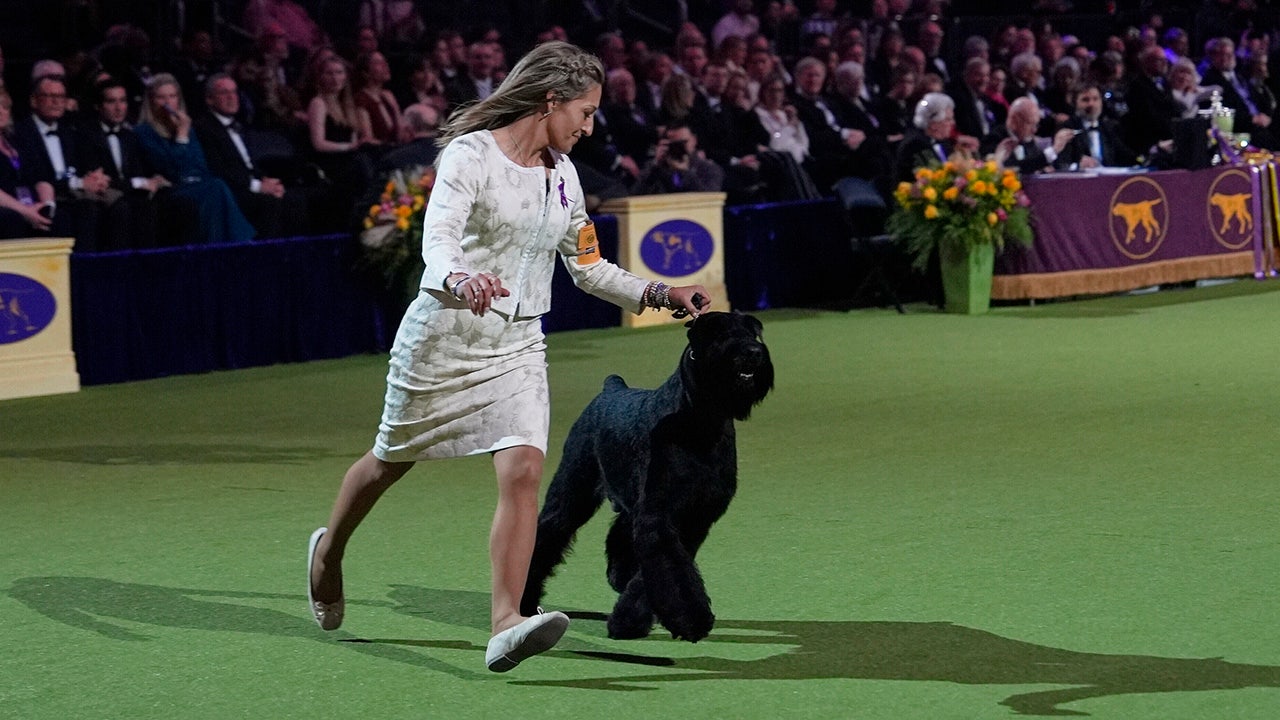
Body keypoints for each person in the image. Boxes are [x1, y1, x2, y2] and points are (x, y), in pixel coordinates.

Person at [306, 40, 711, 673]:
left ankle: (505, 622)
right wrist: (461, 277)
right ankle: (328, 553)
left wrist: (662, 293)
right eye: (585, 111)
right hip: (445, 337)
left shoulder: (565, 175)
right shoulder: (469, 156)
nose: (589, 127)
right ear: (550, 100)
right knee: (389, 460)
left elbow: (588, 268)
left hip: (519, 344)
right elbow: (438, 240)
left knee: (523, 468)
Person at [134, 73, 256, 244]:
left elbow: (200, 165)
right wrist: (181, 137)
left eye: (172, 96)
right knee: (216, 188)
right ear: (151, 101)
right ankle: (238, 245)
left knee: (216, 186)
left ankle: (227, 247)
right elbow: (170, 170)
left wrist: (184, 135)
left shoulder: (189, 129)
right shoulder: (144, 132)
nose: (168, 102)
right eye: (161, 98)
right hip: (171, 188)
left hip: (196, 183)